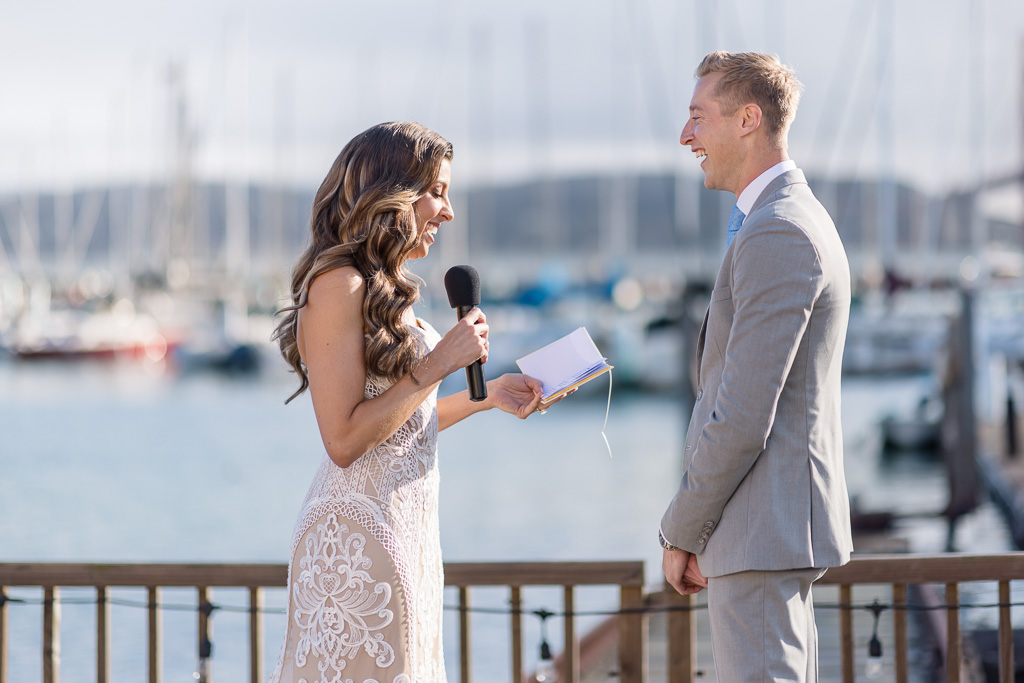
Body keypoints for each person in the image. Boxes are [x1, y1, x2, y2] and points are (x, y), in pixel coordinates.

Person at [268, 121, 552, 682]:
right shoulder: (337, 286)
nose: (448, 211)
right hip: (355, 540)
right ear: (391, 193)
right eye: (438, 192)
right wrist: (439, 363)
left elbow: (400, 426)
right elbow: (347, 440)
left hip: (407, 533)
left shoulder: (384, 287)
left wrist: (487, 397)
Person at [659, 52, 853, 681]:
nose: (686, 136)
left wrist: (681, 530)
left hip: (761, 532)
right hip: (763, 530)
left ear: (747, 119)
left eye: (697, 117)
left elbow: (742, 413)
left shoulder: (777, 231)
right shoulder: (781, 221)